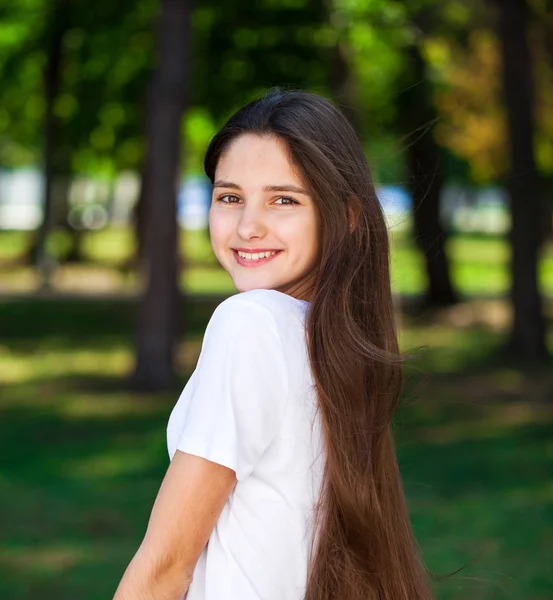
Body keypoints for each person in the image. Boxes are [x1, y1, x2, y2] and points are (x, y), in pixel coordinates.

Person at [113, 89, 433, 600]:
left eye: (283, 199)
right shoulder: (332, 344)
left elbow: (164, 569)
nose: (248, 226)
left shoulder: (251, 324)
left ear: (347, 217)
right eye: (230, 197)